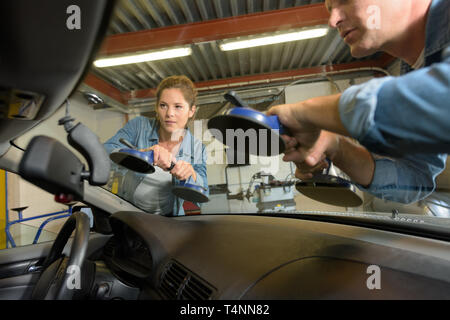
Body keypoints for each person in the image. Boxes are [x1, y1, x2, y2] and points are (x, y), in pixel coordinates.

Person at [267, 0, 449, 204]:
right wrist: (335, 146)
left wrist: (305, 113)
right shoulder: (418, 69)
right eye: (330, 10)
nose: (333, 20)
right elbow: (414, 179)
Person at [104, 75, 208, 216]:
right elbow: (104, 153)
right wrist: (142, 155)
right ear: (156, 107)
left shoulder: (197, 148)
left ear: (191, 111)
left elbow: (203, 194)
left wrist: (191, 175)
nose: (169, 113)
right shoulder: (139, 126)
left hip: (167, 221)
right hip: (129, 215)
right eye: (163, 105)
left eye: (178, 107)